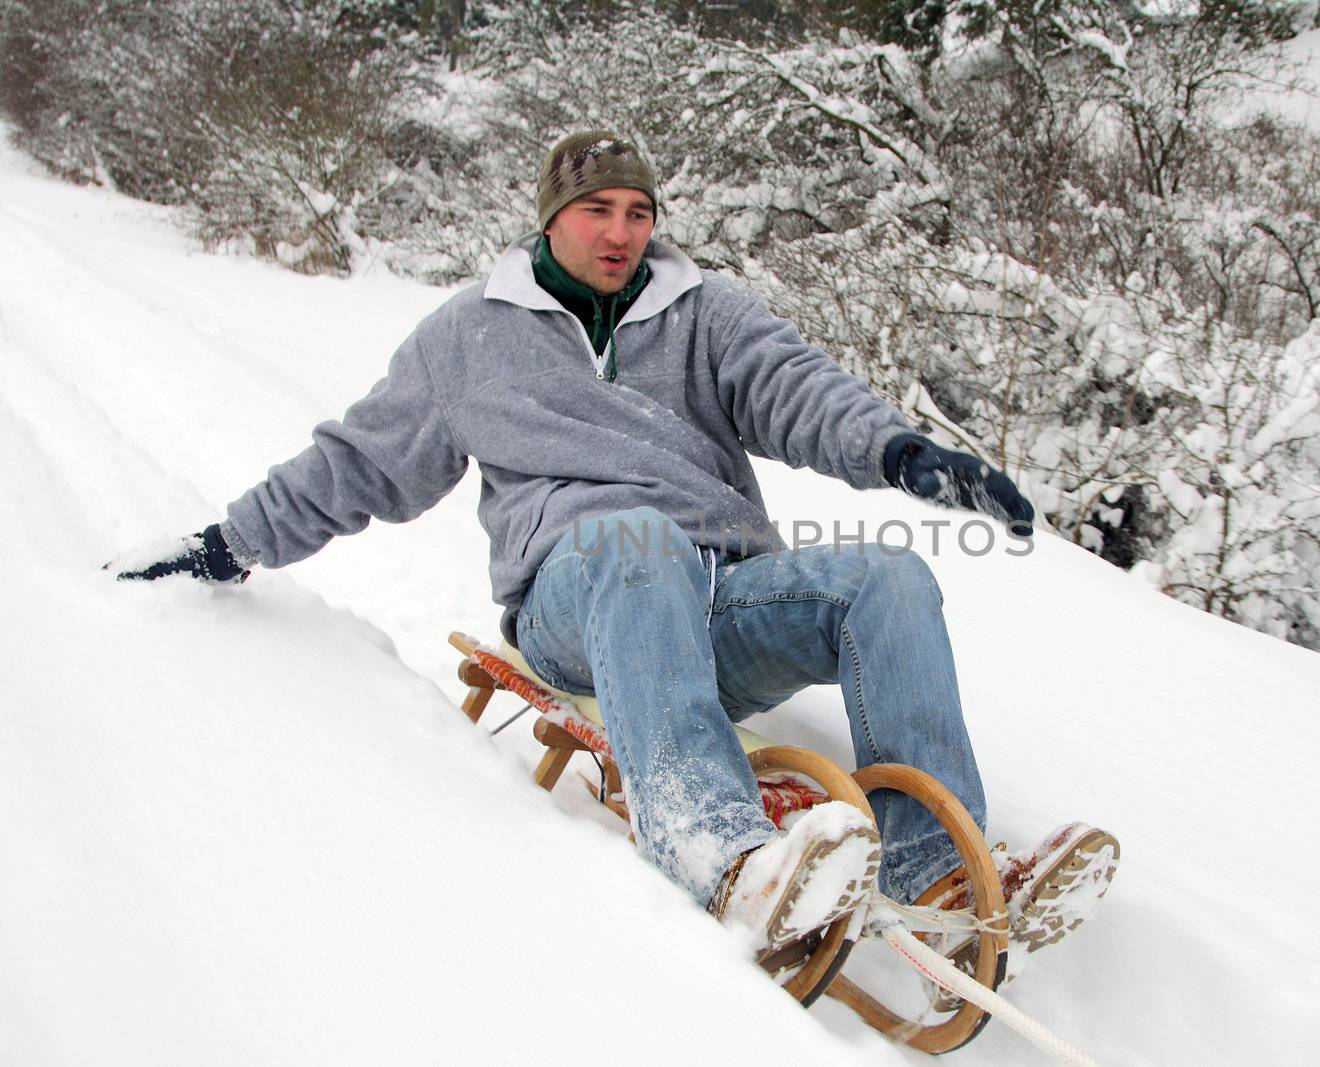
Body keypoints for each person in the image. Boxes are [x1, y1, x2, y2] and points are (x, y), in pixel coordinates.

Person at [117, 130, 1114, 972]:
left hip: (721, 597)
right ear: (551, 217)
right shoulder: (468, 337)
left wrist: (903, 454)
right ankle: (720, 850)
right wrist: (225, 544)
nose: (621, 232)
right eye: (599, 210)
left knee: (886, 576)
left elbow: (794, 386)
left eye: (638, 211)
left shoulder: (701, 312)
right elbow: (358, 464)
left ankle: (934, 868)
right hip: (578, 601)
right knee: (635, 542)